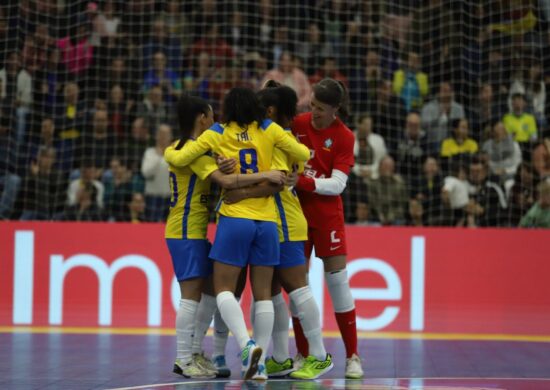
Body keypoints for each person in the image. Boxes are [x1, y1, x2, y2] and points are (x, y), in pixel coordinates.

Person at [164, 90, 309, 380]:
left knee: (218, 291)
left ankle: (237, 347)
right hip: (266, 222)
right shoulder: (267, 130)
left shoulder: (216, 136)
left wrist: (216, 161)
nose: (215, 117)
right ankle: (249, 362)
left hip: (229, 221)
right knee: (262, 294)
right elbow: (302, 154)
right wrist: (270, 174)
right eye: (210, 114)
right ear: (201, 117)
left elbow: (178, 156)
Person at [226, 82, 332, 379]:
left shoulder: (278, 138)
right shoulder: (278, 136)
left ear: (269, 111)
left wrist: (238, 192)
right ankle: (281, 357)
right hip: (271, 222)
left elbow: (273, 183)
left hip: (284, 220)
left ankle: (320, 355)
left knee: (297, 288)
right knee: (269, 293)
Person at [292, 78, 363, 378]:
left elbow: (337, 185)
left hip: (326, 216)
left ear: (336, 109)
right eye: (312, 106)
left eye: (321, 109)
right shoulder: (297, 124)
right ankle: (302, 353)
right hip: (296, 215)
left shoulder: (344, 137)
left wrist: (303, 182)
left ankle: (353, 357)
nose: (314, 113)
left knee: (338, 284)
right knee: (297, 285)